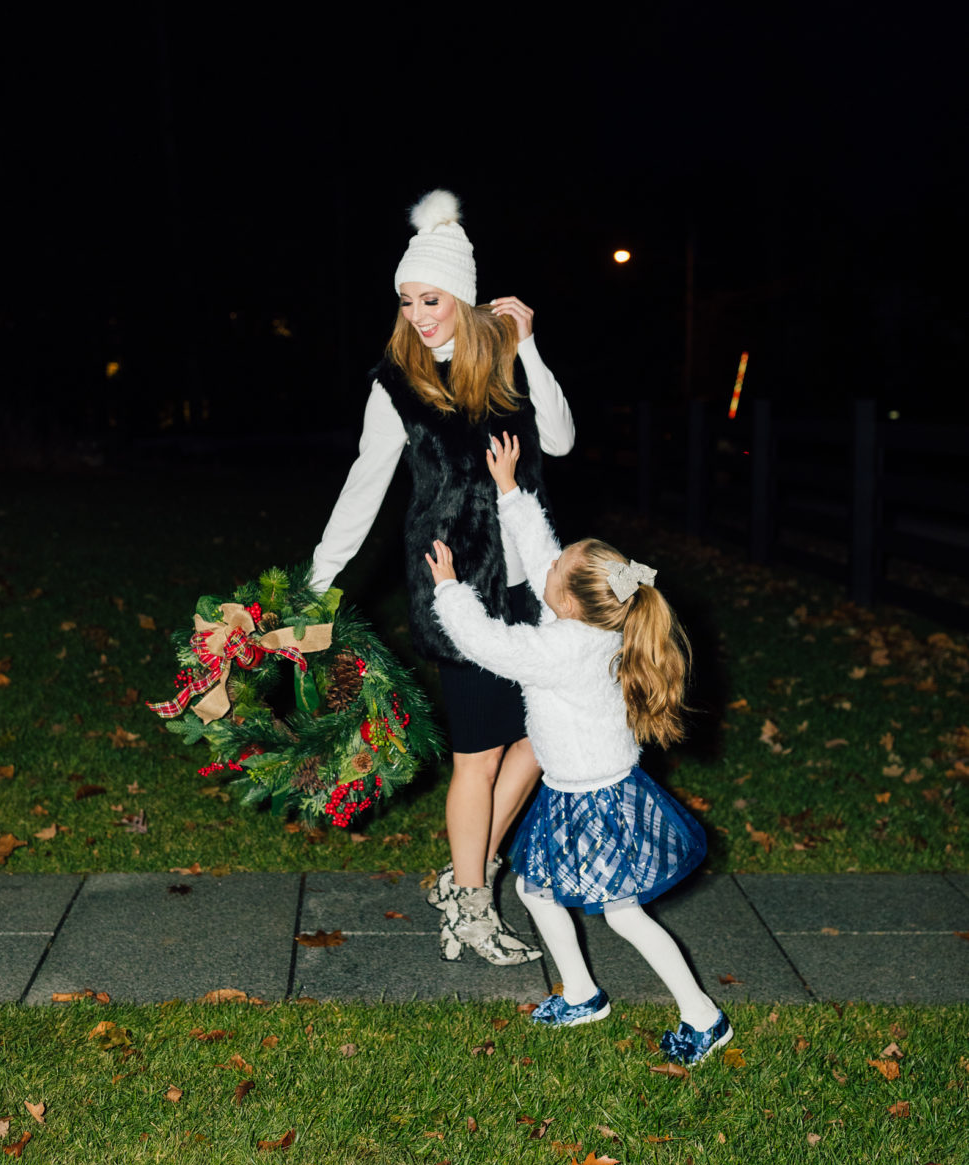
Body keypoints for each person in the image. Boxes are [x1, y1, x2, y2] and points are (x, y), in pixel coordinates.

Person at [310, 190, 575, 964]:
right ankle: (470, 906)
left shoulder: (504, 366)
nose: (420, 315)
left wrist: (526, 344)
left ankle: (465, 873)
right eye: (407, 301)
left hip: (536, 586)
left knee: (546, 735)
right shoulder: (397, 383)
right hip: (456, 587)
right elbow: (363, 487)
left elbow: (557, 439)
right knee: (480, 756)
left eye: (431, 298)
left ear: (461, 294)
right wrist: (318, 582)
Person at [424, 432, 731, 1065]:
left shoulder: (564, 650)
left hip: (596, 802)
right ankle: (584, 993)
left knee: (623, 915)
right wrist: (510, 490)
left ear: (566, 601)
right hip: (580, 792)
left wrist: (450, 590)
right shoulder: (588, 621)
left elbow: (489, 645)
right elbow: (544, 559)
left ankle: (703, 1016)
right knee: (539, 891)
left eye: (564, 562)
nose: (553, 558)